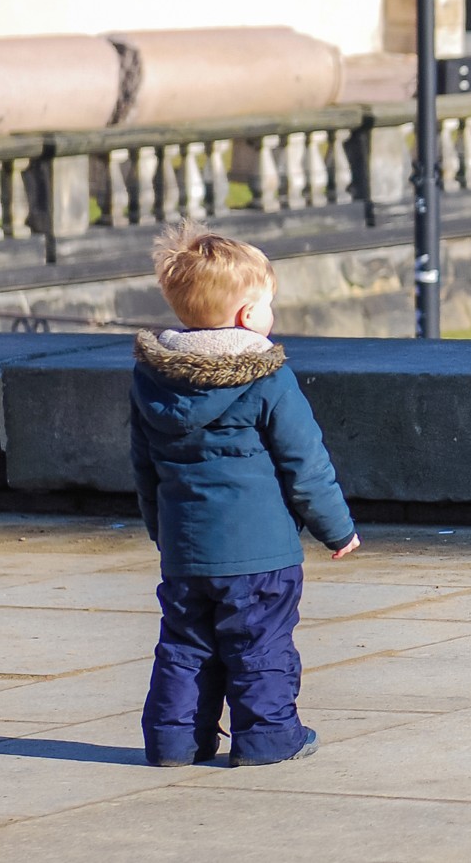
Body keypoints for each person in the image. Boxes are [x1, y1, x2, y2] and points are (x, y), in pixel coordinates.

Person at [131, 222, 358, 770]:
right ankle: (269, 738)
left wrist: (164, 533)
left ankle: (175, 743)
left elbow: (145, 471)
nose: (271, 314)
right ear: (245, 316)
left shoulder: (152, 380)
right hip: (260, 554)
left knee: (185, 648)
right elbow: (305, 463)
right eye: (267, 303)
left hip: (187, 552)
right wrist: (337, 529)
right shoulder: (267, 378)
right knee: (260, 646)